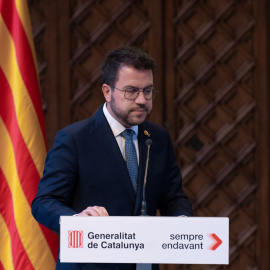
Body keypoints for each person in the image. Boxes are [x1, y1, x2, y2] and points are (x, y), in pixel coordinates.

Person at [32, 46, 193, 270]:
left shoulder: (157, 138)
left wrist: (182, 220)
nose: (142, 100)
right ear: (107, 92)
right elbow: (43, 203)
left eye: (148, 91)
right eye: (131, 91)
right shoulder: (74, 139)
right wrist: (78, 219)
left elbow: (173, 198)